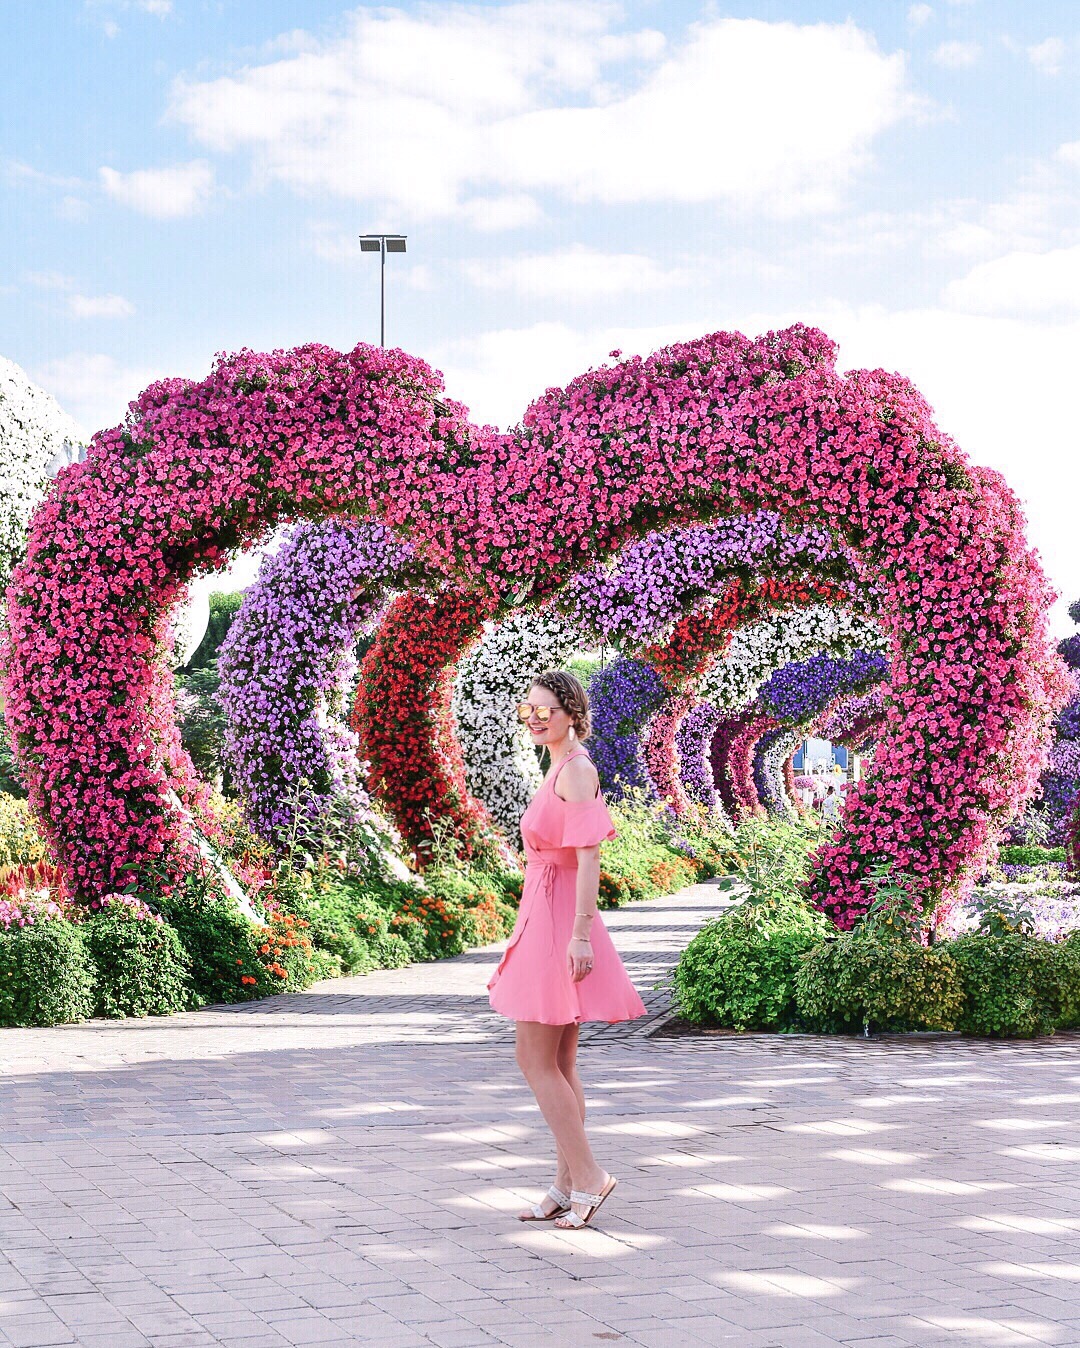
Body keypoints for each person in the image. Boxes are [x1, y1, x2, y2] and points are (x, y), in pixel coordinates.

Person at [487, 669, 646, 1231]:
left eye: (545, 710)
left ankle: (589, 1177)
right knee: (557, 1061)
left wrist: (579, 932)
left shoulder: (575, 771)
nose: (534, 717)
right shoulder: (558, 764)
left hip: (560, 921)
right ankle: (564, 1181)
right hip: (544, 910)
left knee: (533, 1060)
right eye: (528, 709)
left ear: (572, 713)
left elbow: (588, 858)